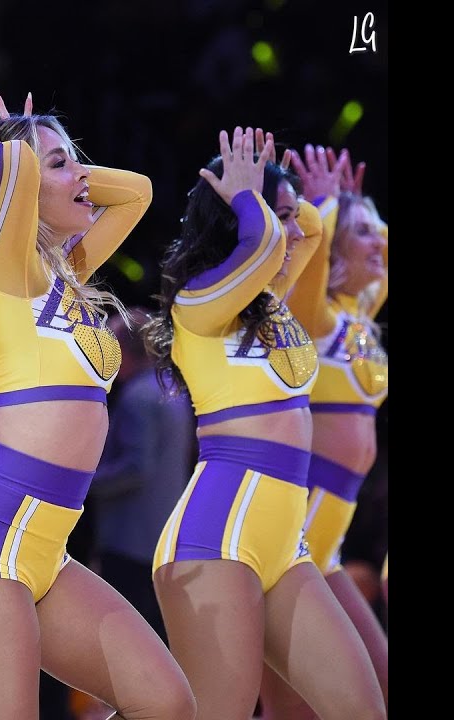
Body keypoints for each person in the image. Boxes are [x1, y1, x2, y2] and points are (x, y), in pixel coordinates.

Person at [0, 90, 195, 720]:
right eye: (62, 166)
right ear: (18, 187)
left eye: (76, 163)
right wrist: (6, 164)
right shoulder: (5, 271)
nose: (82, 179)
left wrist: (37, 163)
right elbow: (19, 192)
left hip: (48, 554)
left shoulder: (65, 273)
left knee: (167, 703)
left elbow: (140, 192)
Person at [140, 126, 385, 720]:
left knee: (363, 710)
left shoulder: (275, 302)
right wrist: (251, 198)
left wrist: (278, 190)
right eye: (280, 219)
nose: (293, 231)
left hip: (285, 548)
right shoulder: (198, 304)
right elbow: (263, 238)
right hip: (215, 540)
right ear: (241, 223)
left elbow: (312, 232)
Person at [259, 144, 389, 718]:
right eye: (363, 234)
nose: (379, 242)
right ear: (334, 250)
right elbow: (309, 255)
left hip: (329, 543)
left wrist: (353, 206)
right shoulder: (315, 319)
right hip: (298, 536)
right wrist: (325, 206)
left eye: (379, 231)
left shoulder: (362, 319)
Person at [87, 307, 196, 644]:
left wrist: (79, 485)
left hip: (130, 540)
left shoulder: (137, 397)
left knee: (128, 638)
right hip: (160, 534)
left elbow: (136, 468)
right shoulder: (169, 389)